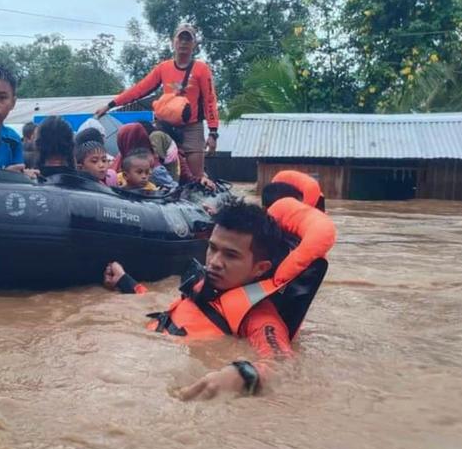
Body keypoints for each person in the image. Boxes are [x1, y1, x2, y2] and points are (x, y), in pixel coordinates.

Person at [103, 192, 335, 399]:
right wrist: (126, 282)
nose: (214, 262)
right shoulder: (205, 287)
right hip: (125, 366)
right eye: (213, 248)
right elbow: (171, 312)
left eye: (231, 255)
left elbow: (285, 366)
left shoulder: (260, 319)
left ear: (260, 268)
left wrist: (242, 375)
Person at [95, 23, 220, 181]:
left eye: (188, 39)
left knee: (196, 176)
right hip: (164, 127)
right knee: (149, 158)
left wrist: (213, 133)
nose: (183, 43)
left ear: (194, 44)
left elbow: (210, 100)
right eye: (180, 39)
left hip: (191, 128)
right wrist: (111, 105)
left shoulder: (201, 69)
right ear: (173, 42)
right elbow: (139, 89)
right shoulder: (164, 68)